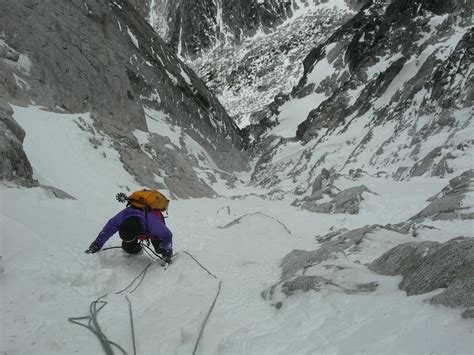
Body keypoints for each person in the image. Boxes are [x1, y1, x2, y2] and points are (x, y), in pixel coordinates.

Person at [85, 205, 173, 262]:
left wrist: (167, 251)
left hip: (152, 231)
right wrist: (96, 244)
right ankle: (137, 251)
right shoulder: (120, 218)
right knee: (127, 247)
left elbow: (168, 235)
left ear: (137, 234)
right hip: (136, 227)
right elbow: (107, 231)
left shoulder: (153, 224)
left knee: (160, 249)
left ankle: (165, 253)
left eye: (130, 239)